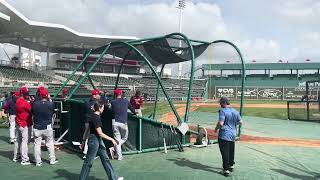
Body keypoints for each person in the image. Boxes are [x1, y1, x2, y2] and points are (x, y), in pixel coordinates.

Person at [79, 100, 124, 180]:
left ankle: (113, 178)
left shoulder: (93, 116)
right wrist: (112, 139)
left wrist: (83, 141)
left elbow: (87, 130)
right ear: (99, 108)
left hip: (97, 140)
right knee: (88, 162)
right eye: (103, 107)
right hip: (94, 141)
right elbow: (100, 133)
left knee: (105, 159)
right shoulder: (96, 118)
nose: (103, 108)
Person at [214, 97, 243, 177]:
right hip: (233, 134)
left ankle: (226, 169)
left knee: (225, 152)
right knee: (231, 150)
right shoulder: (235, 111)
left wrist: (216, 128)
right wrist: (233, 126)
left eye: (220, 103)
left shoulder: (222, 111)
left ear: (223, 103)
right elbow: (240, 122)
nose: (219, 104)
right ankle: (231, 165)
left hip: (224, 135)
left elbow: (221, 123)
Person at [32, 88, 58, 166]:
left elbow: (33, 112)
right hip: (47, 126)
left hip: (37, 126)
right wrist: (49, 99)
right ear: (47, 95)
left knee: (37, 145)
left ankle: (38, 161)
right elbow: (53, 110)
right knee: (50, 144)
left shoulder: (35, 104)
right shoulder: (50, 104)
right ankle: (52, 160)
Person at [110, 89, 136, 160]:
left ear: (115, 95)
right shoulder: (126, 101)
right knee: (124, 138)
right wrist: (135, 113)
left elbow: (112, 110)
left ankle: (119, 156)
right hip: (123, 122)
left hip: (114, 122)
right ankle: (113, 148)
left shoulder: (112, 102)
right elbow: (132, 110)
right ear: (121, 94)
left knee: (117, 139)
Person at [14, 86, 33, 165]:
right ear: (22, 93)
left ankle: (16, 156)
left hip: (19, 123)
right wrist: (32, 102)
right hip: (24, 124)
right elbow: (32, 110)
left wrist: (30, 102)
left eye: (28, 93)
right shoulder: (24, 102)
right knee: (25, 142)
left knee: (18, 141)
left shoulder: (18, 100)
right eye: (26, 93)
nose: (28, 94)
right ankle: (24, 159)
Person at [80, 89, 102, 159]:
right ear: (94, 95)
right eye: (98, 94)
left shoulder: (87, 102)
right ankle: (87, 153)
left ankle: (86, 153)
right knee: (92, 138)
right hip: (92, 122)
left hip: (87, 121)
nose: (99, 95)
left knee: (87, 136)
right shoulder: (96, 103)